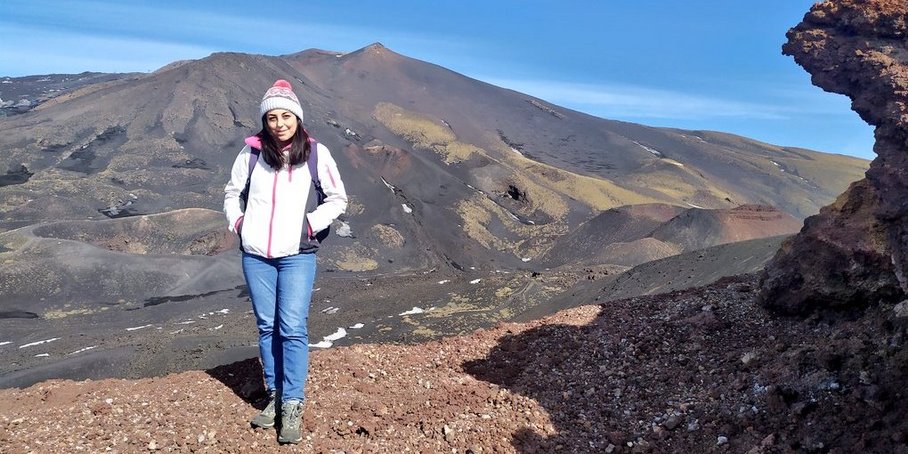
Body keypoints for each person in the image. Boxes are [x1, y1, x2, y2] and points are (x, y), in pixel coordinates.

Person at [223, 79, 347, 444]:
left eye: (286, 116)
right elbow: (232, 193)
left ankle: (293, 402)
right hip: (256, 254)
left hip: (296, 255)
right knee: (267, 327)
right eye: (272, 117)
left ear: (297, 117)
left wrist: (309, 225)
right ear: (265, 120)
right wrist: (240, 224)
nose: (279, 124)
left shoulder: (316, 154)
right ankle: (275, 395)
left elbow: (337, 198)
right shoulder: (251, 154)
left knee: (292, 327)